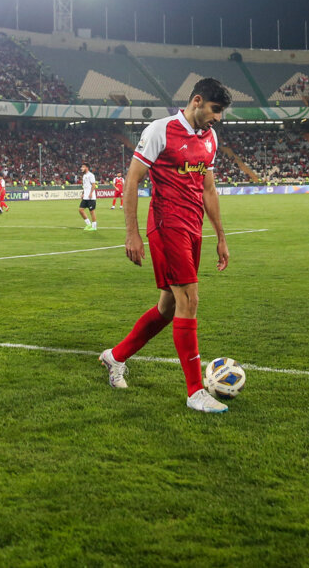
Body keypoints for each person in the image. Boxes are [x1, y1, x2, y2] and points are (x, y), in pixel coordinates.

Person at [99, 77, 233, 414]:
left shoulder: (210, 138)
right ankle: (194, 392)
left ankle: (114, 357)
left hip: (192, 228)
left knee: (169, 307)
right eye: (215, 111)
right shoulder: (161, 130)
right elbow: (132, 180)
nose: (218, 118)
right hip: (166, 223)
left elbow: (209, 190)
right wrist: (132, 233)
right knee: (190, 299)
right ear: (197, 101)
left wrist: (220, 236)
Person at [79, 163, 98, 230]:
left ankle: (94, 227)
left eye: (83, 167)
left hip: (91, 197)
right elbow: (85, 186)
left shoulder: (91, 175)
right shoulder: (84, 176)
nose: (81, 168)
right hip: (85, 197)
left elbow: (93, 185)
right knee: (81, 210)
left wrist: (91, 193)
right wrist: (83, 193)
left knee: (91, 211)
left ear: (87, 168)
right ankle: (89, 224)